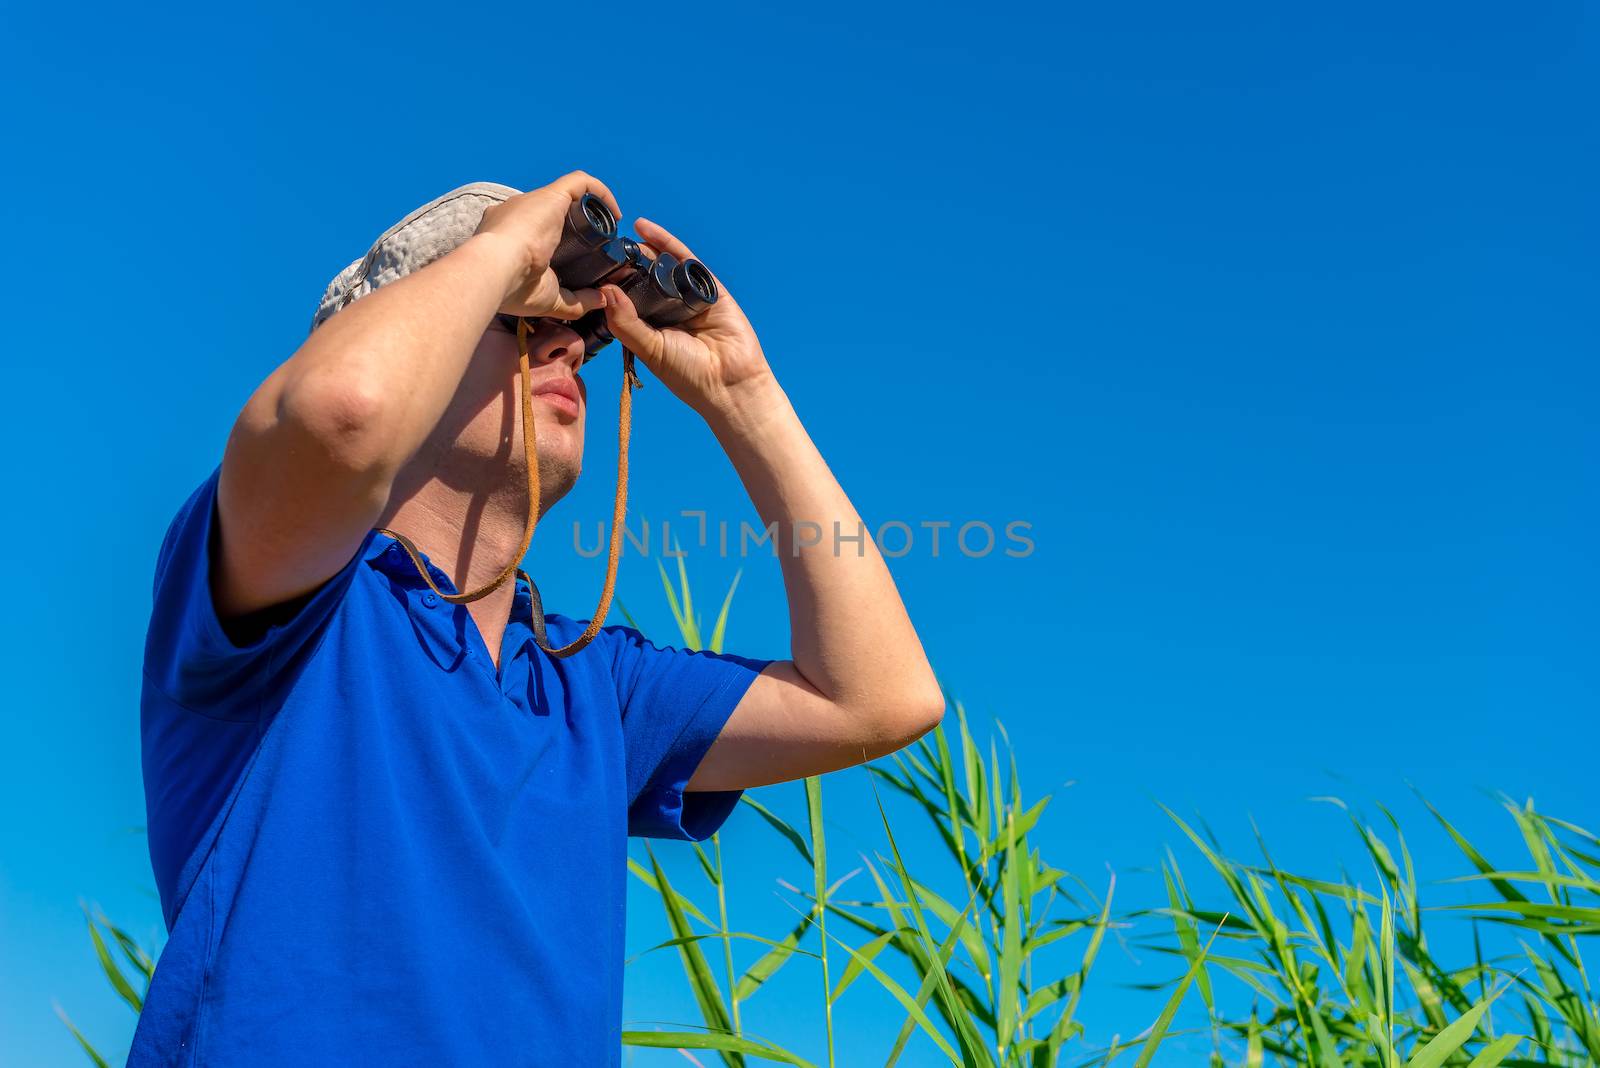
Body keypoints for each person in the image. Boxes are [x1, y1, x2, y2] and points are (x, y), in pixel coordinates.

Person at [131, 171, 943, 1066]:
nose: (565, 346)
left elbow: (881, 698)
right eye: (524, 319)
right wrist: (503, 247)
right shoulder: (287, 587)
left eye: (581, 335)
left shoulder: (588, 683)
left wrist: (743, 393)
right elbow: (344, 414)